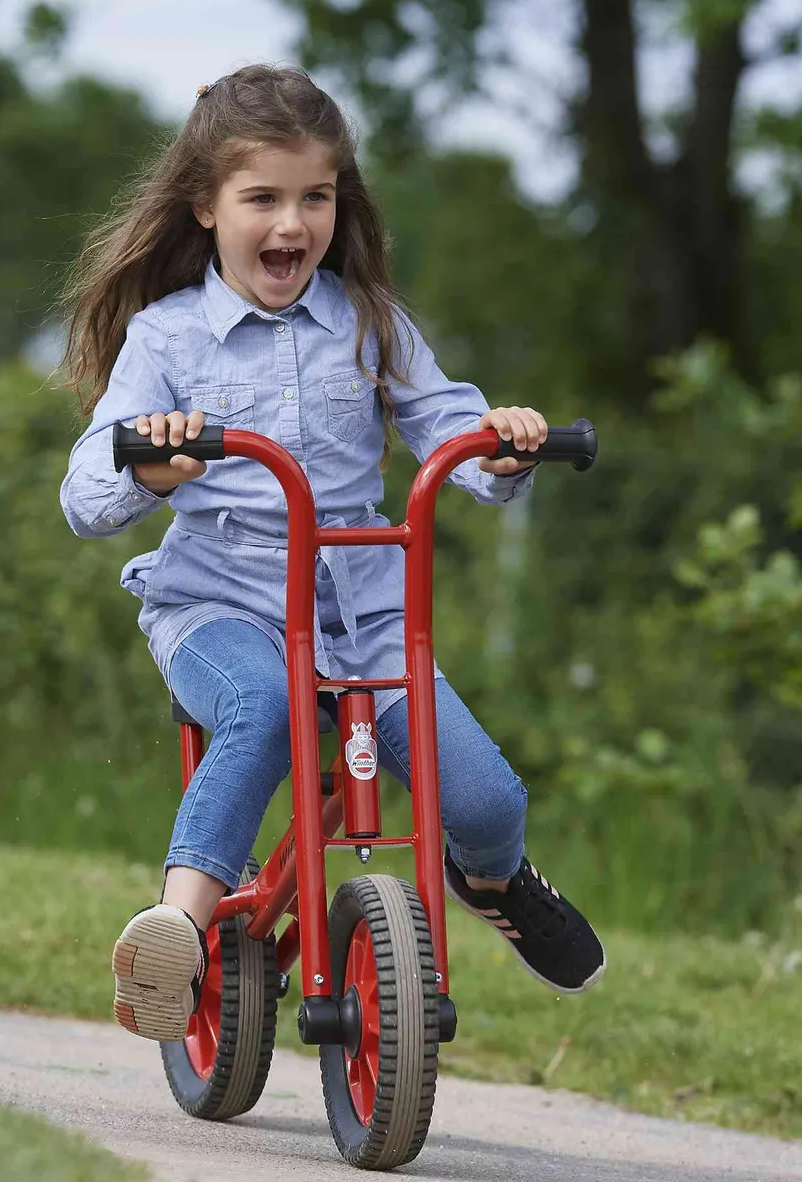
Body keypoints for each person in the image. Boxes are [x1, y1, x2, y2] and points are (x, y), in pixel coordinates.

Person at [57, 64, 604, 1043]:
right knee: (263, 703)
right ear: (206, 206)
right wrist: (155, 471)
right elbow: (86, 495)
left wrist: (501, 440)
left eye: (315, 197)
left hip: (366, 618)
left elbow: (449, 432)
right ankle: (177, 932)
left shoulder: (367, 321)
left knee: (483, 793)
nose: (292, 223)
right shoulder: (167, 337)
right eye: (262, 197)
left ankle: (489, 879)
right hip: (221, 606)